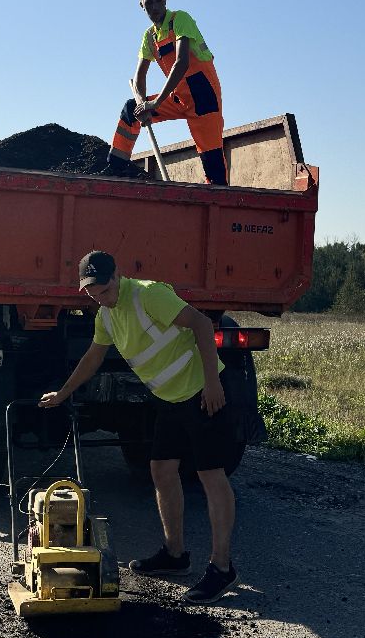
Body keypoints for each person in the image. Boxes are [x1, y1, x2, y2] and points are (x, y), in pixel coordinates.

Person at [39, 250, 240, 603]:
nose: (99, 297)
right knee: (161, 470)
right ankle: (175, 555)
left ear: (117, 275)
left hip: (201, 396)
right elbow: (93, 358)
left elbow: (202, 325)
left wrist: (213, 383)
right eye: (91, 292)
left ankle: (222, 568)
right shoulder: (106, 316)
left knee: (212, 475)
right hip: (169, 401)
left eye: (102, 289)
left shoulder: (149, 294)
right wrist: (63, 392)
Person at [100, 0, 230, 186]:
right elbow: (140, 75)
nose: (154, 7)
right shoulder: (149, 36)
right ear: (141, 5)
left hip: (203, 96)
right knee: (131, 109)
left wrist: (156, 103)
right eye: (149, 3)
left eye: (158, 1)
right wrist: (143, 103)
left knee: (212, 162)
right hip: (178, 97)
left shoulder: (180, 19)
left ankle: (218, 204)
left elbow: (182, 62)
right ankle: (115, 169)